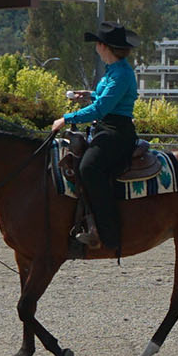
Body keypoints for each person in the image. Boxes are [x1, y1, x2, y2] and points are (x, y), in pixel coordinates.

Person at [52, 21, 142, 250]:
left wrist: (67, 118)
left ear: (103, 46)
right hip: (106, 128)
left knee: (89, 168)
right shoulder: (114, 71)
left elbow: (101, 109)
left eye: (97, 44)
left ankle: (105, 231)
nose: (96, 48)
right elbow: (103, 100)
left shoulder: (121, 74)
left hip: (116, 132)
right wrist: (90, 95)